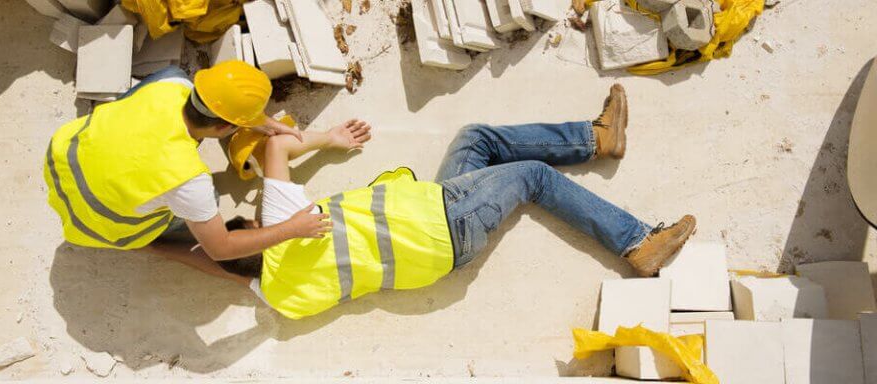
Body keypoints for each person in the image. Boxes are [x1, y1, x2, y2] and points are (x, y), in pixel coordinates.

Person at [214, 83, 697, 319]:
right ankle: (636, 243)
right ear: (252, 227)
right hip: (442, 219)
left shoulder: (277, 298)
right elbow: (277, 146)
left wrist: (163, 248)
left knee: (475, 140)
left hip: (437, 243)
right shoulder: (279, 220)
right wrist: (329, 138)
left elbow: (218, 261)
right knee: (533, 176)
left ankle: (597, 138)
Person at [42, 60, 353, 278]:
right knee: (210, 204)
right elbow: (220, 249)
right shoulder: (189, 179)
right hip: (98, 224)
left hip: (62, 161)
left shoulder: (170, 84)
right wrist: (292, 229)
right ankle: (148, 244)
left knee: (167, 73)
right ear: (222, 126)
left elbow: (214, 105)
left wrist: (261, 122)